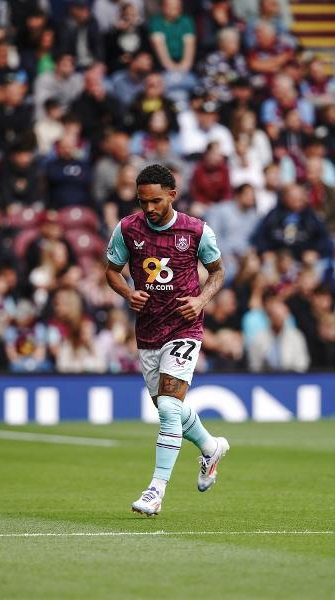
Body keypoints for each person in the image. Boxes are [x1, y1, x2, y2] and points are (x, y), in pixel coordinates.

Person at [105, 163, 229, 516]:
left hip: (184, 327)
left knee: (170, 409)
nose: (149, 208)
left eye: (156, 201)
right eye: (143, 201)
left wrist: (201, 300)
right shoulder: (127, 229)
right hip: (147, 331)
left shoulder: (196, 231)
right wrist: (128, 293)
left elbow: (218, 272)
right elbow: (112, 272)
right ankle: (210, 447)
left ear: (173, 194)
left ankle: (155, 490)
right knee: (166, 407)